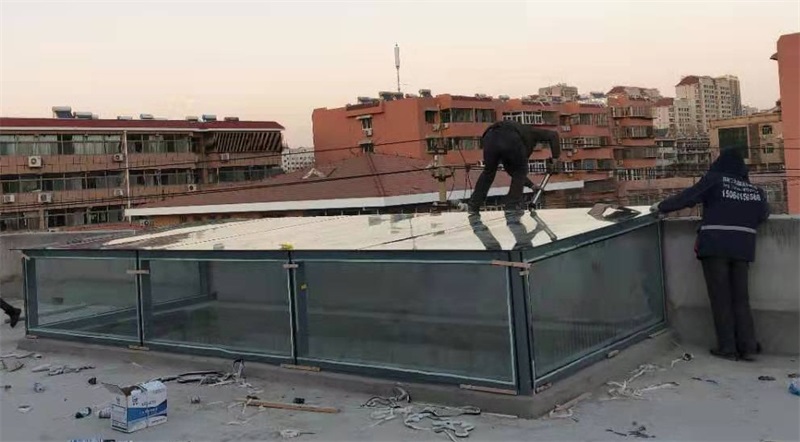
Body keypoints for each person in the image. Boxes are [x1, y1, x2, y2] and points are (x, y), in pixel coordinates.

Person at [651, 148, 770, 362]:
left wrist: (661, 206)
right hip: (743, 247)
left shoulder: (715, 180)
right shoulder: (755, 191)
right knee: (741, 299)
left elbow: (689, 197)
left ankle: (728, 348)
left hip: (715, 246)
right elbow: (763, 215)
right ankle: (747, 345)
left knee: (720, 298)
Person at [466, 121, 561, 216]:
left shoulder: (519, 136)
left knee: (488, 172)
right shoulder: (532, 133)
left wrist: (531, 185)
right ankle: (512, 206)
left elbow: (511, 170)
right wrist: (555, 158)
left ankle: (474, 206)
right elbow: (553, 135)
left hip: (489, 136)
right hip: (510, 136)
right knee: (521, 169)